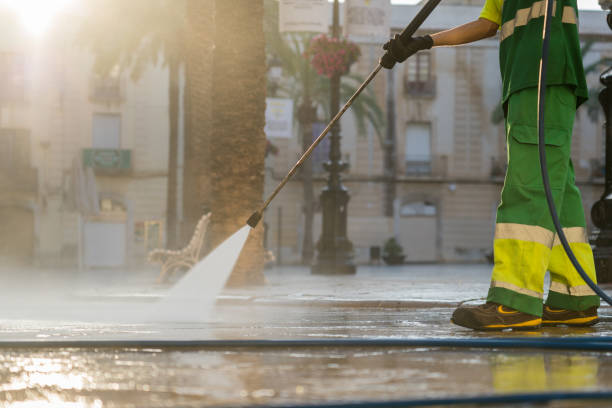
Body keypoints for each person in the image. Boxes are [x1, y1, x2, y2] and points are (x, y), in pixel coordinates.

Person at [381, 0, 600, 330]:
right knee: (558, 193)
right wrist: (424, 42)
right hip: (527, 84)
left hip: (543, 76)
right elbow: (487, 23)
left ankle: (515, 301)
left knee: (527, 186)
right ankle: (574, 298)